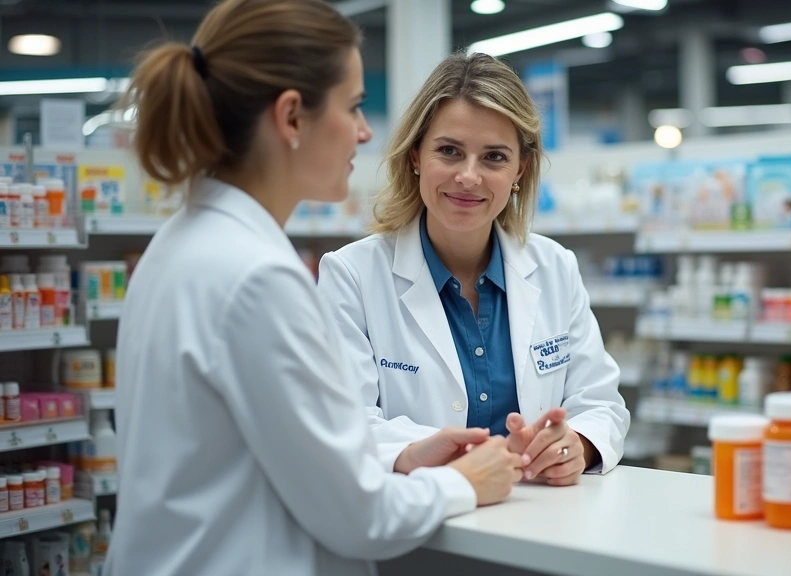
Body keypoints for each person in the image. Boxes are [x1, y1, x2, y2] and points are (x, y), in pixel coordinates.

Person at [108, 2, 523, 575]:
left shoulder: (183, 243)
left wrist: (406, 454)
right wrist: (462, 484)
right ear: (291, 118)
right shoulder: (257, 278)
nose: (364, 130)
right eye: (352, 106)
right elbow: (358, 517)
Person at [317, 53, 630, 487]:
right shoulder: (352, 275)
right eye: (449, 151)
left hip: (543, 522)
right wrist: (421, 454)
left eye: (494, 157)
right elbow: (344, 422)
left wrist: (576, 442)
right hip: (422, 523)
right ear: (415, 156)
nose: (468, 176)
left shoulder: (555, 267)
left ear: (519, 168)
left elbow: (600, 403)